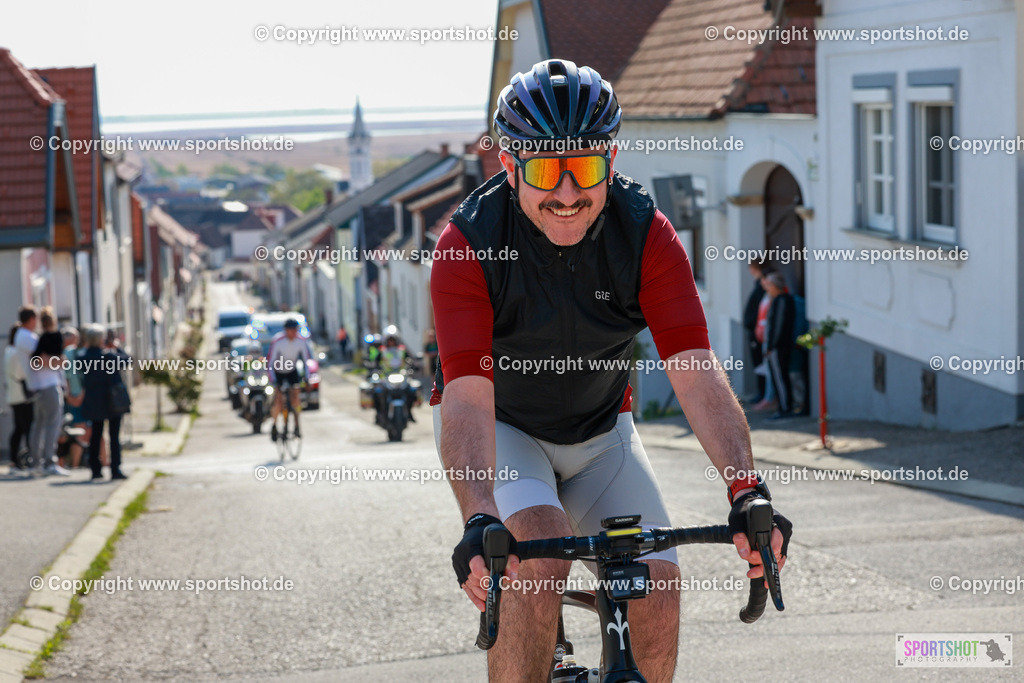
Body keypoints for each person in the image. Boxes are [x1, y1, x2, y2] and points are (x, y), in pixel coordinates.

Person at [430, 59, 792, 682]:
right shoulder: (468, 245)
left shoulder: (647, 235)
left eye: (586, 169)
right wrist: (479, 515)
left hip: (603, 434)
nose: (568, 194)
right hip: (505, 431)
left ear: (612, 160)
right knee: (534, 562)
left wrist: (745, 488)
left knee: (657, 583)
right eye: (546, 170)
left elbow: (697, 372)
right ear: (508, 165)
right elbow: (464, 397)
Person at [80, 325, 128, 481]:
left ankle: (95, 469)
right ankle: (115, 469)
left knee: (96, 434)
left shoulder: (83, 357)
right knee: (114, 436)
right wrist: (117, 348)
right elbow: (127, 361)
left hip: (94, 400)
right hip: (111, 401)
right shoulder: (108, 356)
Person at [28, 307, 70, 476]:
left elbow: (37, 360)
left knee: (38, 425)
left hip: (38, 388)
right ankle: (49, 462)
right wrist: (59, 362)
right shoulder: (53, 338)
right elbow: (59, 362)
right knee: (53, 425)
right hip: (50, 387)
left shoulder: (38, 341)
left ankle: (36, 462)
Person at [267, 318, 310, 441]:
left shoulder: (301, 341)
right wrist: (273, 380)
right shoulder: (278, 341)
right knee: (279, 400)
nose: (293, 332)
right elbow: (270, 362)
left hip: (292, 370)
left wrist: (307, 378)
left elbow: (306, 361)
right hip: (278, 371)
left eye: (295, 330)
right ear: (286, 330)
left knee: (296, 396)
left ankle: (297, 425)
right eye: (290, 330)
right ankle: (274, 425)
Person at [764, 273, 796, 419]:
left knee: (780, 377)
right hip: (780, 346)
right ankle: (784, 406)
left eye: (770, 285)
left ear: (776, 286)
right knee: (780, 376)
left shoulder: (782, 300)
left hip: (779, 347)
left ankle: (785, 408)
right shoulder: (782, 299)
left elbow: (777, 326)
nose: (768, 288)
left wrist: (771, 346)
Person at [5, 324, 32, 471]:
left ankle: (14, 460)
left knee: (18, 429)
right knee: (27, 428)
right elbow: (21, 373)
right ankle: (27, 458)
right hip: (22, 395)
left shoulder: (8, 350)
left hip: (13, 395)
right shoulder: (16, 352)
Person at [60, 326, 87, 469]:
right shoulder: (76, 353)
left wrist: (68, 395)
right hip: (76, 395)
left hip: (69, 396)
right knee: (79, 429)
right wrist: (80, 394)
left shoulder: (67, 353)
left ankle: (65, 463)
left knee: (65, 430)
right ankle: (74, 464)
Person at [742, 258, 768, 403]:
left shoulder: (762, 286)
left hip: (758, 333)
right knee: (758, 363)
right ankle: (762, 392)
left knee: (760, 363)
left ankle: (764, 394)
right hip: (754, 331)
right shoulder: (758, 285)